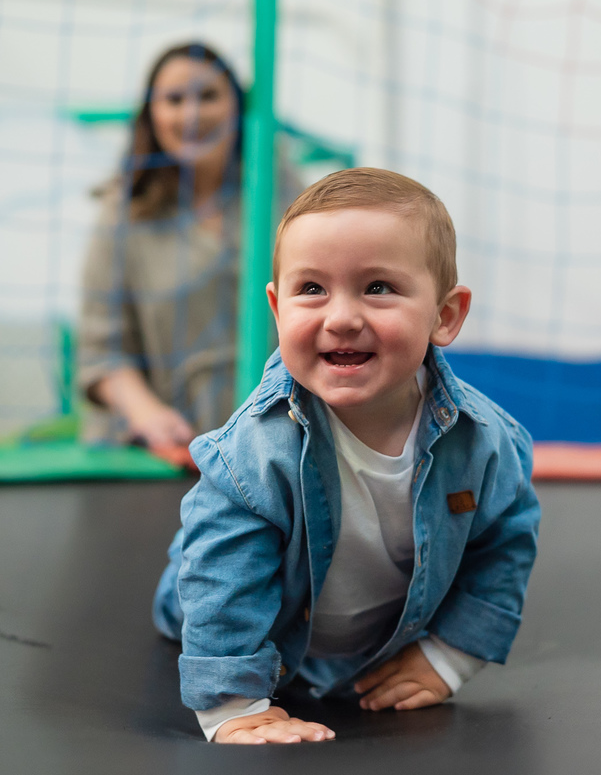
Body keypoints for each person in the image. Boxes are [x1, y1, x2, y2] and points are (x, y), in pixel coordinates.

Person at [152, 168, 541, 743]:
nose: (341, 318)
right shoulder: (255, 452)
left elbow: (504, 542)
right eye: (311, 289)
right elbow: (222, 581)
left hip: (373, 640)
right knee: (193, 580)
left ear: (446, 315)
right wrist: (232, 706)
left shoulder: (484, 440)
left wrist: (451, 655)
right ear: (278, 309)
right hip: (253, 611)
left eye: (378, 287)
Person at [77, 42, 248, 456]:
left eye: (207, 96)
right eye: (174, 99)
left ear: (238, 109)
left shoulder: (284, 200)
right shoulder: (123, 214)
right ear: (151, 115)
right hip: (163, 454)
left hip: (269, 449)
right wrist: (150, 417)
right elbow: (100, 353)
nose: (191, 114)